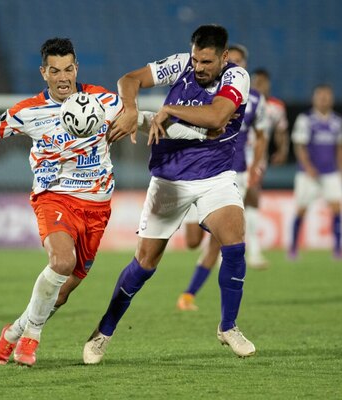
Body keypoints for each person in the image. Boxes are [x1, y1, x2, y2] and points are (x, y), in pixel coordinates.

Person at [0, 38, 125, 367]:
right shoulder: (29, 111)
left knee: (63, 291)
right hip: (53, 197)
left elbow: (138, 118)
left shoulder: (103, 100)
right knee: (61, 262)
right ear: (44, 73)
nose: (63, 77)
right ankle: (31, 338)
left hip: (98, 207)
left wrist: (155, 121)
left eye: (69, 69)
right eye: (55, 71)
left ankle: (11, 335)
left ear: (76, 67)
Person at [82, 24, 256, 364]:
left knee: (234, 243)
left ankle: (228, 326)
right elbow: (129, 79)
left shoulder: (237, 78)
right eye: (196, 60)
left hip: (214, 177)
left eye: (207, 62)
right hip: (169, 179)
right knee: (145, 264)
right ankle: (102, 332)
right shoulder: (180, 65)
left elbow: (217, 116)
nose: (199, 67)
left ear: (224, 57)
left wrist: (169, 110)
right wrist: (131, 109)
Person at [176, 43, 268, 311]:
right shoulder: (205, 91)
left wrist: (256, 167)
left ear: (245, 65)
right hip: (195, 172)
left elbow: (261, 136)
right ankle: (213, 229)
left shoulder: (254, 100)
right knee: (193, 241)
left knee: (217, 244)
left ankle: (188, 295)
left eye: (239, 61)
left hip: (230, 174)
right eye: (231, 61)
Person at [289, 84, 342, 260]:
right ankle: (292, 249)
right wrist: (308, 167)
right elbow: (299, 146)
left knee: (337, 208)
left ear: (332, 98)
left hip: (331, 172)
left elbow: (340, 148)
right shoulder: (305, 119)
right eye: (321, 95)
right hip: (309, 174)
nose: (324, 99)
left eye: (327, 96)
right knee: (301, 209)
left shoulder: (338, 121)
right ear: (314, 98)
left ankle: (337, 250)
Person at [245, 68, 290, 268]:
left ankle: (253, 251)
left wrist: (282, 149)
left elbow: (281, 130)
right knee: (231, 204)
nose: (260, 85)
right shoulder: (242, 101)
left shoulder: (276, 106)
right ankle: (223, 252)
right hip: (233, 157)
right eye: (257, 81)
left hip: (257, 159)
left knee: (252, 198)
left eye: (263, 82)